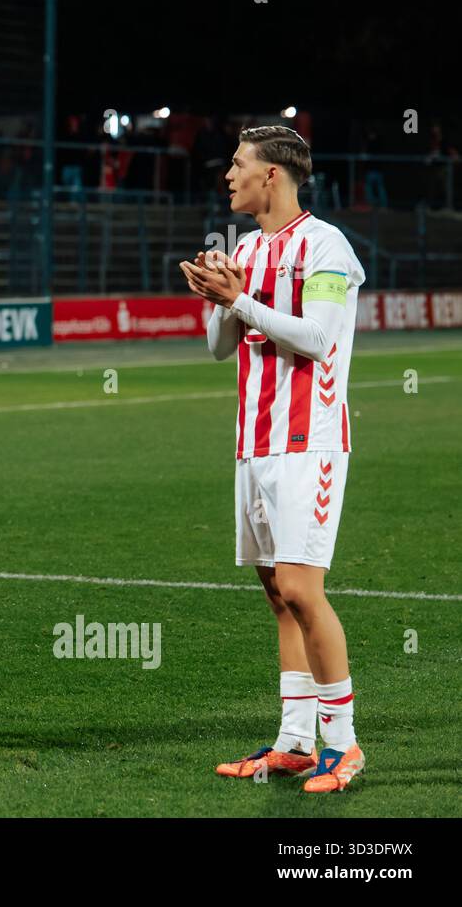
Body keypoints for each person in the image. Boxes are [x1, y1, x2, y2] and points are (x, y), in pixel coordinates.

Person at [181, 126, 366, 793]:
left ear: (274, 177)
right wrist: (219, 295)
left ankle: (342, 747)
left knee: (302, 590)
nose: (228, 176)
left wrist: (240, 300)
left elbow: (316, 338)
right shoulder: (249, 248)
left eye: (238, 165)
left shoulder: (325, 246)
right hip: (254, 444)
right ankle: (294, 740)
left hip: (308, 442)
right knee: (276, 596)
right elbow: (219, 348)